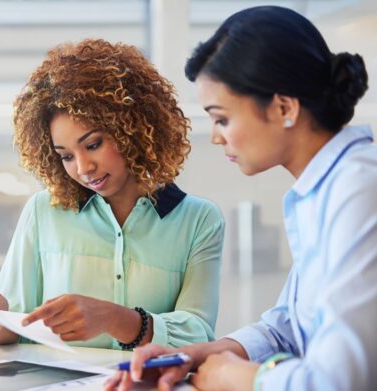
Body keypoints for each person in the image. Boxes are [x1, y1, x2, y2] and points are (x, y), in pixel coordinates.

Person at [105, 5, 374, 391]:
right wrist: (197, 355)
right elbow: (286, 328)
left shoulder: (359, 189)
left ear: (283, 107)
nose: (216, 137)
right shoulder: (320, 190)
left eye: (222, 118)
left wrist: (235, 377)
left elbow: (340, 381)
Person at [0, 38, 225, 350]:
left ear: (133, 129)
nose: (83, 168)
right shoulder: (43, 211)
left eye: (93, 144)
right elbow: (12, 331)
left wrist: (115, 318)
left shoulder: (199, 220)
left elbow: (198, 334)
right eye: (66, 156)